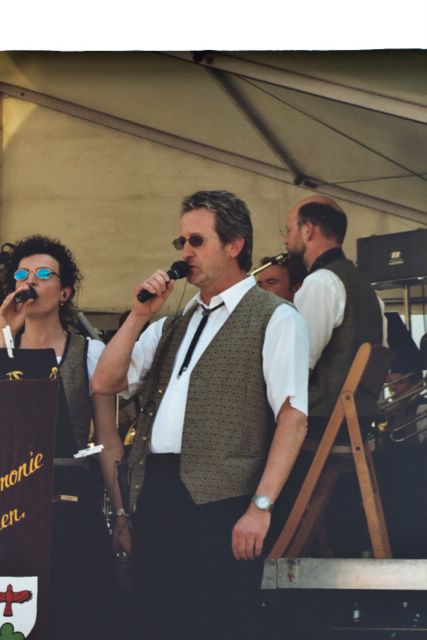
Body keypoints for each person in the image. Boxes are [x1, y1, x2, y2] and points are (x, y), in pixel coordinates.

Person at [93, 190, 309, 640]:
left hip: (223, 502)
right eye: (182, 242)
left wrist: (260, 507)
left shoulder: (275, 317)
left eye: (197, 241)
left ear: (234, 245)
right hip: (157, 491)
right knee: (154, 622)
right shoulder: (173, 322)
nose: (185, 253)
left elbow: (293, 417)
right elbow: (105, 382)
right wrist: (137, 316)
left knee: (216, 622)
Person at [0, 235, 130, 640]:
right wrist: (4, 336)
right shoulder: (2, 348)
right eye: (22, 274)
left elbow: (107, 439)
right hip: (10, 507)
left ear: (65, 292)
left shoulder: (90, 353)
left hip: (70, 503)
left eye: (44, 273)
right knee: (14, 624)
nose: (30, 281)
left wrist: (121, 515)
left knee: (76, 616)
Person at [284, 195, 383, 437]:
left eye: (288, 230)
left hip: (321, 421)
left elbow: (296, 369)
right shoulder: (365, 285)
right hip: (358, 419)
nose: (285, 240)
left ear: (307, 229)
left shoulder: (321, 283)